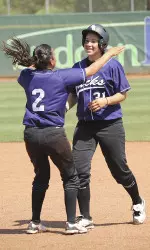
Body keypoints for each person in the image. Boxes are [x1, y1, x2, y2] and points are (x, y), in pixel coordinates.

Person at [1, 37, 124, 235]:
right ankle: (71, 223)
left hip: (31, 135)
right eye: (54, 56)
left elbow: (31, 69)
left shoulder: (26, 76)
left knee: (41, 177)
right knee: (71, 176)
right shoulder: (61, 77)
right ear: (50, 61)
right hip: (53, 135)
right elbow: (91, 70)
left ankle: (34, 223)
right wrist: (109, 54)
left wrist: (36, 61)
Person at [66, 24, 146, 229]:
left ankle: (137, 201)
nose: (89, 44)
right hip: (85, 126)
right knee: (79, 170)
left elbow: (123, 94)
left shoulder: (112, 65)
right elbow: (74, 94)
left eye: (93, 41)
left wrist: (106, 101)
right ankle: (85, 216)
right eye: (86, 41)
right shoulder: (78, 67)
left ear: (102, 44)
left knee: (120, 170)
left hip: (110, 125)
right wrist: (62, 108)